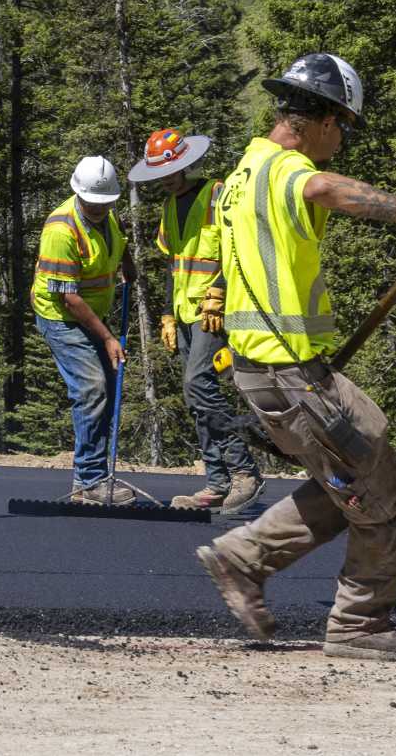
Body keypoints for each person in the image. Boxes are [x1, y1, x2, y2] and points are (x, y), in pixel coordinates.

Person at [197, 53, 396, 663]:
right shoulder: (286, 169)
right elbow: (320, 188)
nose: (343, 139)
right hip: (291, 375)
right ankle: (359, 626)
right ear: (315, 118)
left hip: (268, 370)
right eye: (342, 124)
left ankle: (242, 558)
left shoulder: (244, 171)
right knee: (384, 490)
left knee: (356, 477)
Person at [128, 127, 261, 514]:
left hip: (216, 311)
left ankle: (244, 472)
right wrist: (167, 314)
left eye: (174, 170)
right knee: (194, 395)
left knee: (199, 382)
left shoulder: (216, 195)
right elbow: (174, 264)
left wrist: (219, 292)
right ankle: (217, 482)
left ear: (188, 164)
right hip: (186, 312)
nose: (168, 179)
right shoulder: (170, 207)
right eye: (162, 174)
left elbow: (238, 250)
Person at [31, 155, 139, 506]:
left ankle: (93, 475)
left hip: (93, 313)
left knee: (107, 386)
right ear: (79, 194)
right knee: (92, 387)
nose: (99, 208)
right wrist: (107, 337)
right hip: (62, 316)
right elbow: (69, 298)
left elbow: (117, 243)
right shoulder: (61, 230)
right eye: (93, 203)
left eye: (105, 203)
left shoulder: (109, 216)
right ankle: (89, 480)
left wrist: (127, 266)